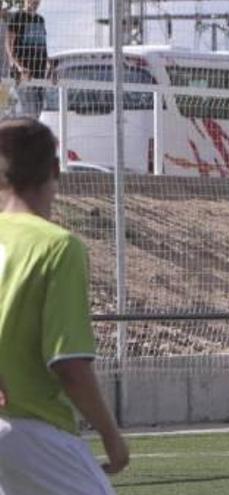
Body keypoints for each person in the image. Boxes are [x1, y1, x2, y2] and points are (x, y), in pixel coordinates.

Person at [0, 118, 129, 494]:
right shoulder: (56, 246)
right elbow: (69, 364)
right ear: (56, 169)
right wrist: (111, 435)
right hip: (33, 427)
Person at [5, 0, 48, 118]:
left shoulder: (40, 20)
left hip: (40, 76)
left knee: (36, 116)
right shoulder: (17, 17)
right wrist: (19, 67)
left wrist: (50, 68)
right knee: (28, 117)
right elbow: (8, 46)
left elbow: (43, 47)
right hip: (24, 76)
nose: (34, 2)